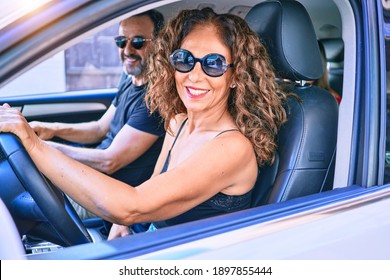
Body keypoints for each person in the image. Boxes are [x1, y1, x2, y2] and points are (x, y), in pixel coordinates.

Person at [0, 8, 288, 240]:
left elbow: (132, 205)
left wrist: (35, 146)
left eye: (213, 63)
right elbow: (153, 186)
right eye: (184, 59)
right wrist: (123, 226)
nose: (194, 76)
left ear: (236, 76)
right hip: (153, 239)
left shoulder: (231, 147)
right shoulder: (178, 121)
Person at [29, 11, 166, 219]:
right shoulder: (131, 79)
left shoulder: (154, 101)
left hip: (105, 196)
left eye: (137, 42)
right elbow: (100, 128)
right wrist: (50, 129)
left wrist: (39, 147)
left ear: (158, 44)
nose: (127, 50)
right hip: (91, 178)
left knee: (28, 206)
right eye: (121, 41)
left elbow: (109, 161)